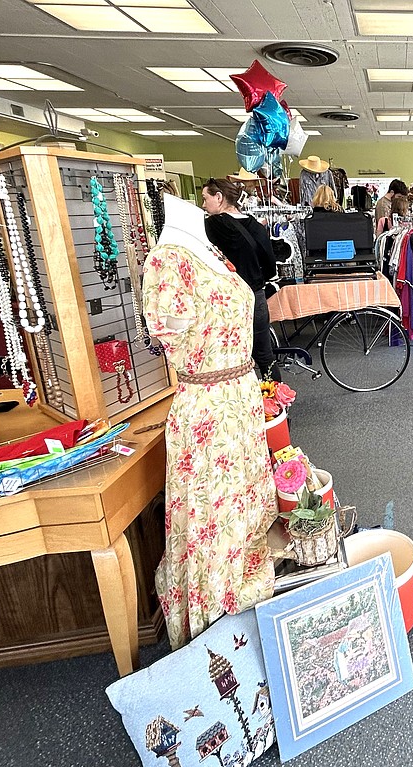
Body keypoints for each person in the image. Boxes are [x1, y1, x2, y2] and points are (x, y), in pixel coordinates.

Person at [141, 193, 276, 648]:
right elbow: (173, 334)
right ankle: (215, 627)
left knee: (244, 509)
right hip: (208, 406)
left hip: (239, 398)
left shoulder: (208, 245)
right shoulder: (164, 263)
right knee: (212, 517)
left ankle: (250, 615)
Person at [200, 178, 281, 381]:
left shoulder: (211, 226)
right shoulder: (256, 226)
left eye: (205, 198)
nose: (203, 205)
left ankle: (242, 407)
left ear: (218, 197)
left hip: (228, 301)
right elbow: (271, 266)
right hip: (256, 296)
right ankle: (279, 405)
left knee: (231, 358)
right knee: (265, 355)